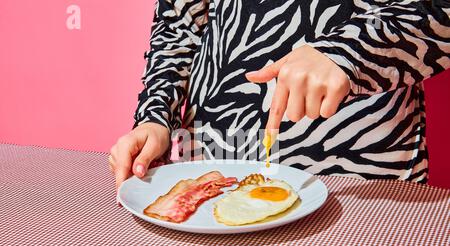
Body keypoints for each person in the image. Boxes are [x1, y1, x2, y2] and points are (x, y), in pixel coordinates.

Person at [109, 0, 450, 193]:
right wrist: (155, 117)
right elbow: (179, 24)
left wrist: (349, 51)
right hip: (213, 165)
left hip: (356, 171)